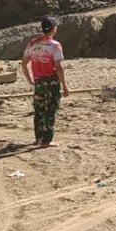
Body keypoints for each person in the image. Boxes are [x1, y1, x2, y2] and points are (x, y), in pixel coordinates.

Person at [21, 16, 69, 147]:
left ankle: (38, 138)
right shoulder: (55, 46)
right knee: (51, 109)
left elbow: (24, 63)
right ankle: (47, 140)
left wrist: (29, 79)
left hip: (39, 81)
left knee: (39, 109)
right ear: (54, 29)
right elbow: (59, 67)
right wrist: (64, 85)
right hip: (51, 81)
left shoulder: (33, 44)